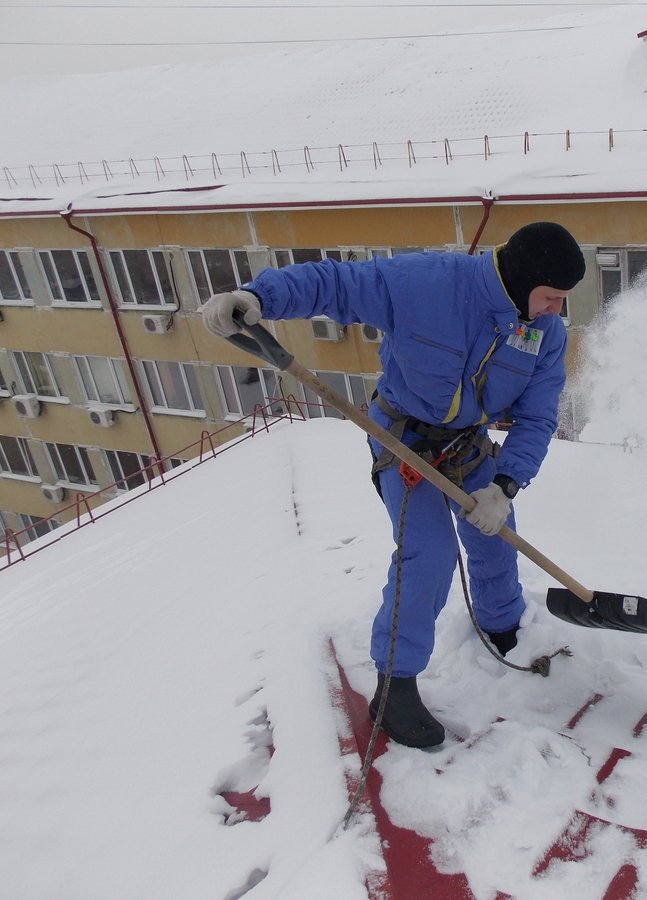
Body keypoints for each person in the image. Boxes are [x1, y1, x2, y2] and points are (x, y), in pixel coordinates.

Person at [201, 223, 586, 748]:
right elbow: (335, 284)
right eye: (550, 297)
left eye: (563, 300)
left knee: (495, 536)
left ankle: (502, 625)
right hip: (404, 437)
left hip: (467, 443)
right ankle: (395, 685)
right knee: (428, 555)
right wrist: (257, 296)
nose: (555, 310)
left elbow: (538, 417)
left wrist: (505, 484)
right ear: (522, 281)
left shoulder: (544, 333)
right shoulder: (426, 283)